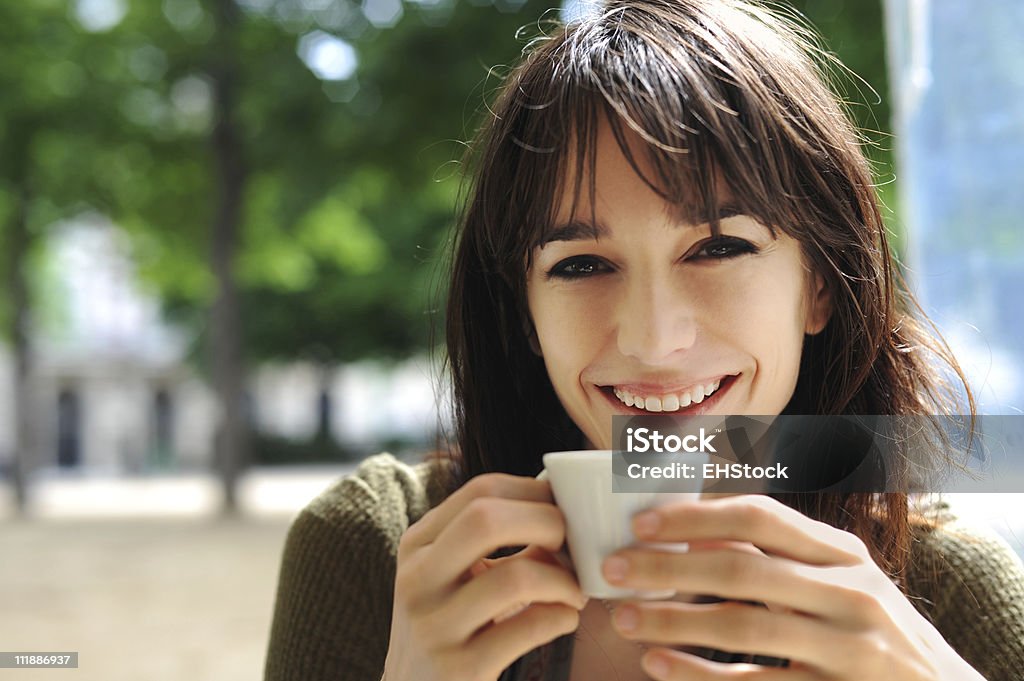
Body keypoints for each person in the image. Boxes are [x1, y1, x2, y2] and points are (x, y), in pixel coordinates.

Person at [264, 1, 1024, 680]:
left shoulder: (946, 590)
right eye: (582, 264)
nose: (656, 340)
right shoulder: (377, 553)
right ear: (523, 313)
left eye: (718, 248)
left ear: (819, 285)